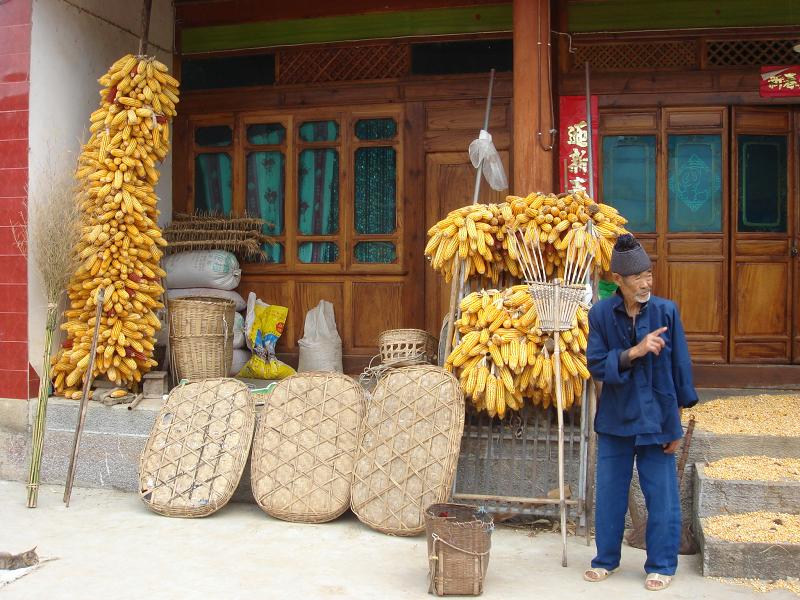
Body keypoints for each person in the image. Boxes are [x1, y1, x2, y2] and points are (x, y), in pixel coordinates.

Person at [583, 234, 698, 592]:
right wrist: (635, 351)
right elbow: (597, 365)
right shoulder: (601, 314)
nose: (646, 282)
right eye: (638, 277)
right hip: (616, 416)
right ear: (619, 280)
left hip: (658, 417)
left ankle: (661, 565)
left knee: (661, 495)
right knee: (610, 493)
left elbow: (680, 366)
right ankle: (606, 560)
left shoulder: (667, 311)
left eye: (649, 274)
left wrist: (677, 423)